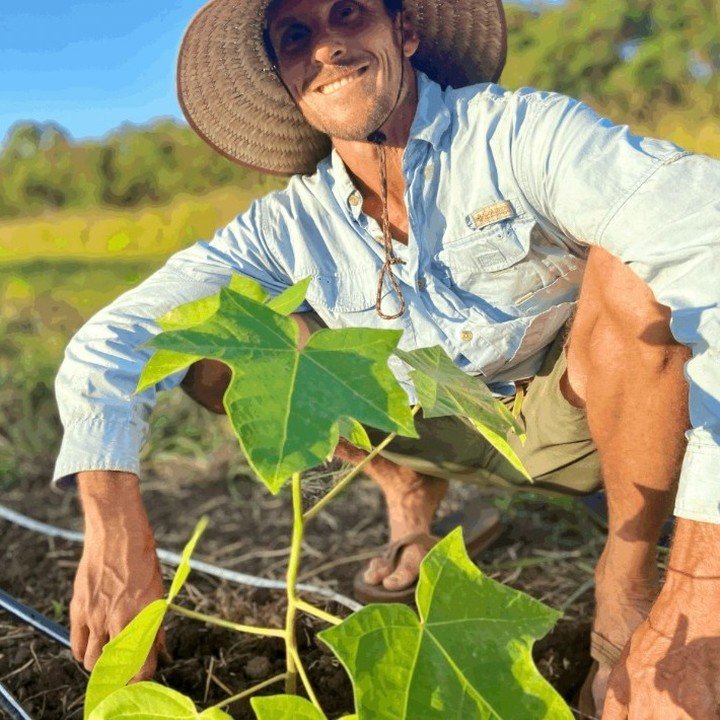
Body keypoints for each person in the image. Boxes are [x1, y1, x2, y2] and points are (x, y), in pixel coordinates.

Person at [54, 0, 720, 717]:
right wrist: (112, 522)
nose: (328, 49)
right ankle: (407, 499)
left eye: (348, 14)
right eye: (296, 36)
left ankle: (625, 583)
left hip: (590, 423)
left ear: (403, 32)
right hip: (432, 422)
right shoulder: (285, 225)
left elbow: (704, 232)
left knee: (635, 263)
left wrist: (702, 602)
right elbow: (113, 338)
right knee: (226, 344)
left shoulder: (516, 132)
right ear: (286, 79)